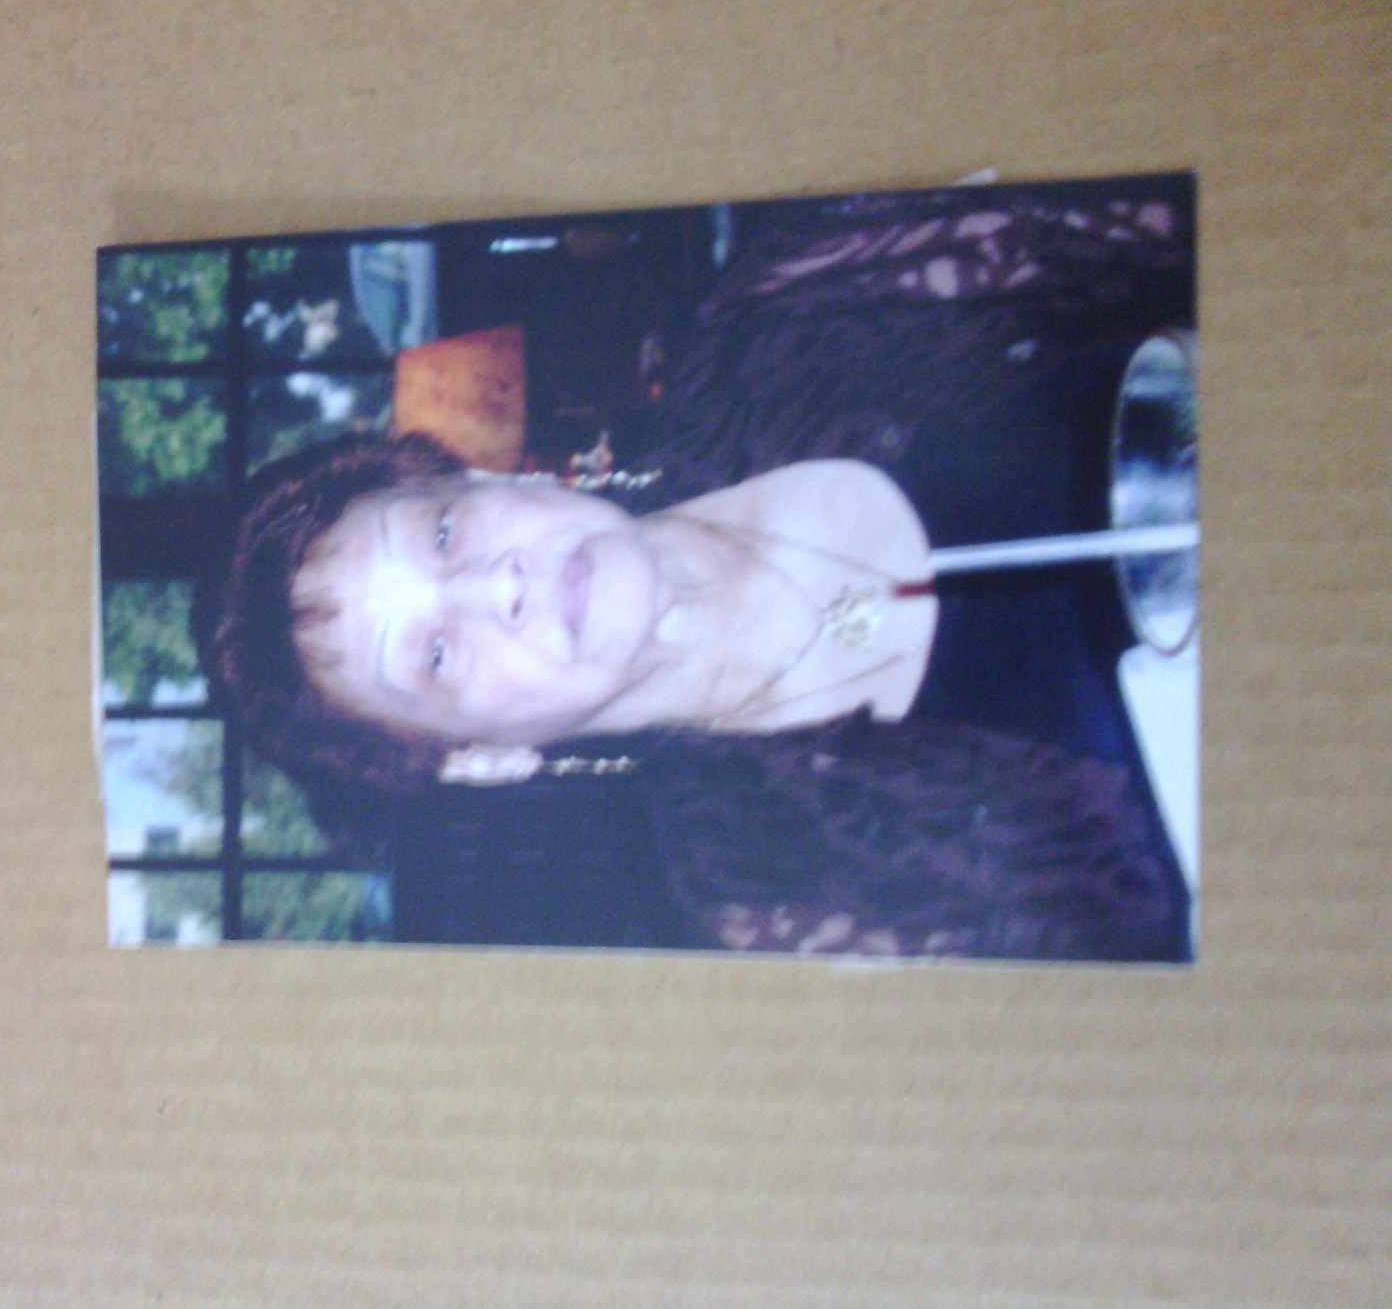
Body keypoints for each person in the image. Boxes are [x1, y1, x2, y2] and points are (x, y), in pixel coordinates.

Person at [214, 174, 1196, 962]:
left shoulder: (796, 303)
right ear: (479, 760)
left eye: (440, 534)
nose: (494, 585)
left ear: (477, 477)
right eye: (433, 653)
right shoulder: (770, 894)